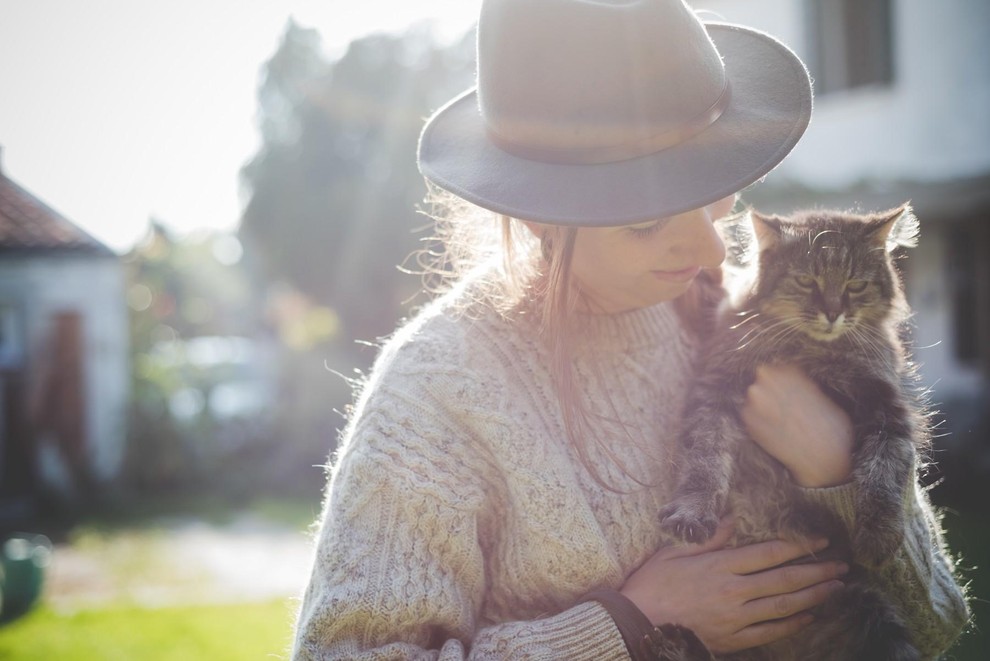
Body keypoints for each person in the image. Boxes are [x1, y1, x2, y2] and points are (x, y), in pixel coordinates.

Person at [292, 0, 969, 659]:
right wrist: (627, 625)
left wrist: (840, 465)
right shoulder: (437, 392)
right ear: (540, 215)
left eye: (715, 199)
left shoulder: (736, 321)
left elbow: (935, 618)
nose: (710, 254)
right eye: (649, 224)